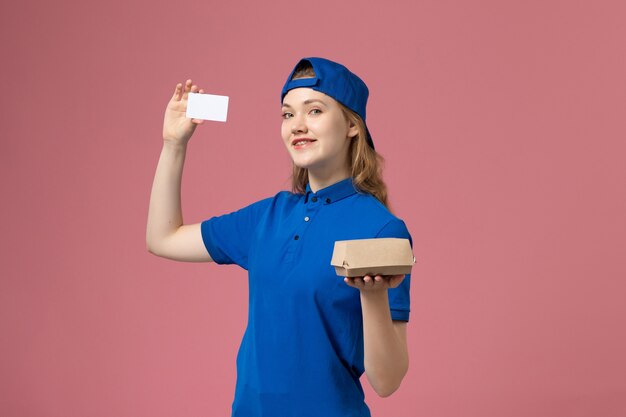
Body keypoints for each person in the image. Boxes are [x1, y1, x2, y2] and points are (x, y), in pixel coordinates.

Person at [146, 57, 413, 417]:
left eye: (314, 110)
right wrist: (173, 145)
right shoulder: (268, 217)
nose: (297, 126)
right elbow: (163, 238)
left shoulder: (382, 230)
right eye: (287, 115)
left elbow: (387, 381)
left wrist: (373, 293)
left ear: (352, 125)